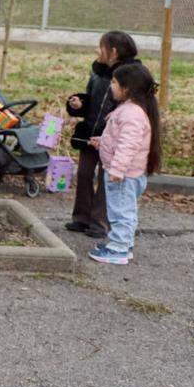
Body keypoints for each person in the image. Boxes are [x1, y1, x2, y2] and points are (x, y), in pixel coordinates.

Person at [65, 31, 140, 239]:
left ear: (113, 51)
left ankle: (100, 223)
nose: (98, 51)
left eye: (101, 47)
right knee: (84, 174)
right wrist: (80, 103)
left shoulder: (130, 75)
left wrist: (113, 129)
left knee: (106, 179)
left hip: (112, 135)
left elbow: (132, 107)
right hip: (90, 131)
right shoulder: (97, 72)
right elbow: (91, 99)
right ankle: (81, 218)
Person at [87, 63, 161, 265]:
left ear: (126, 88)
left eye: (114, 82)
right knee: (123, 209)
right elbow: (120, 139)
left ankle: (119, 248)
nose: (111, 86)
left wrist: (117, 169)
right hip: (126, 173)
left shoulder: (131, 113)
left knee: (121, 212)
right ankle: (122, 244)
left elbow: (128, 145)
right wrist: (102, 142)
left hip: (123, 175)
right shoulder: (129, 110)